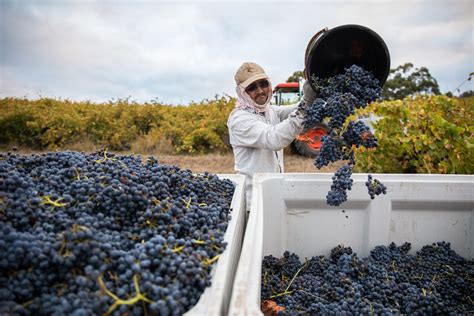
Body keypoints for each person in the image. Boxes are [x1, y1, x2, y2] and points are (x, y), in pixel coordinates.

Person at [227, 62, 317, 210]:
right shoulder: (239, 120)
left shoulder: (269, 111)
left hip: (273, 194)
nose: (261, 90)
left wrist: (314, 92)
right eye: (252, 87)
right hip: (254, 203)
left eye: (263, 84)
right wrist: (307, 102)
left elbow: (295, 110)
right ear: (242, 92)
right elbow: (273, 138)